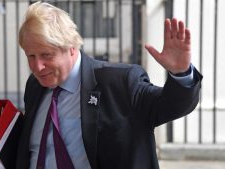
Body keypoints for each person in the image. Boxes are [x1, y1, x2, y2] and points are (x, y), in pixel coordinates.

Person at [15, 1, 202, 169]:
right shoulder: (35, 86)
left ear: (71, 48)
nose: (37, 67)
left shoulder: (120, 82)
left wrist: (181, 74)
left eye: (46, 55)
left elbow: (171, 106)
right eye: (31, 56)